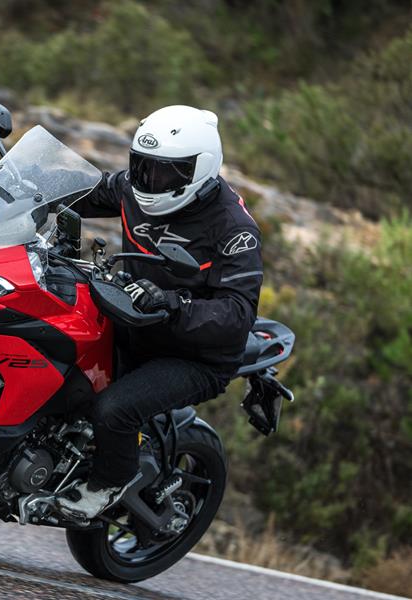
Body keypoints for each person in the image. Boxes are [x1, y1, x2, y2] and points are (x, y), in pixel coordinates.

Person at [58, 105, 264, 518]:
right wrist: (14, 184)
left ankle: (110, 481)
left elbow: (237, 314)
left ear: (198, 171)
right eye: (142, 167)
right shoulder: (134, 188)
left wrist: (172, 304)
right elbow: (84, 191)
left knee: (114, 410)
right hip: (132, 322)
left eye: (166, 172)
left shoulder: (233, 229)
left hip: (193, 355)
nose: (150, 180)